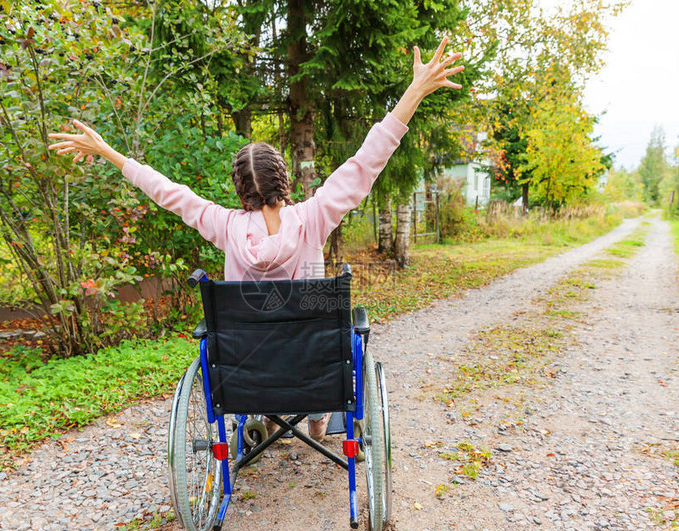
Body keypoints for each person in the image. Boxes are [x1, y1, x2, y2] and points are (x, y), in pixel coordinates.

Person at [48, 37, 465, 441]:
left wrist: (110, 153)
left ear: (240, 188)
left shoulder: (225, 226)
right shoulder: (314, 216)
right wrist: (415, 89)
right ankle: (318, 421)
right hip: (313, 368)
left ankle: (264, 420)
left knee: (258, 344)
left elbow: (170, 193)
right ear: (282, 177)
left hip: (251, 371)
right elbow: (367, 161)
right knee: (317, 337)